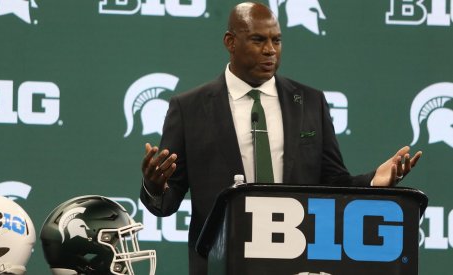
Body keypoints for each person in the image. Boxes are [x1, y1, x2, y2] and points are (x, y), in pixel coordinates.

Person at [139, 2, 422, 275]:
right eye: (258, 40)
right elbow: (167, 201)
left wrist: (375, 181)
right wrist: (155, 186)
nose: (270, 50)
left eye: (277, 40)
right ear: (230, 42)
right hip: (222, 265)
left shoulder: (310, 102)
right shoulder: (189, 108)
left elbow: (334, 184)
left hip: (299, 263)